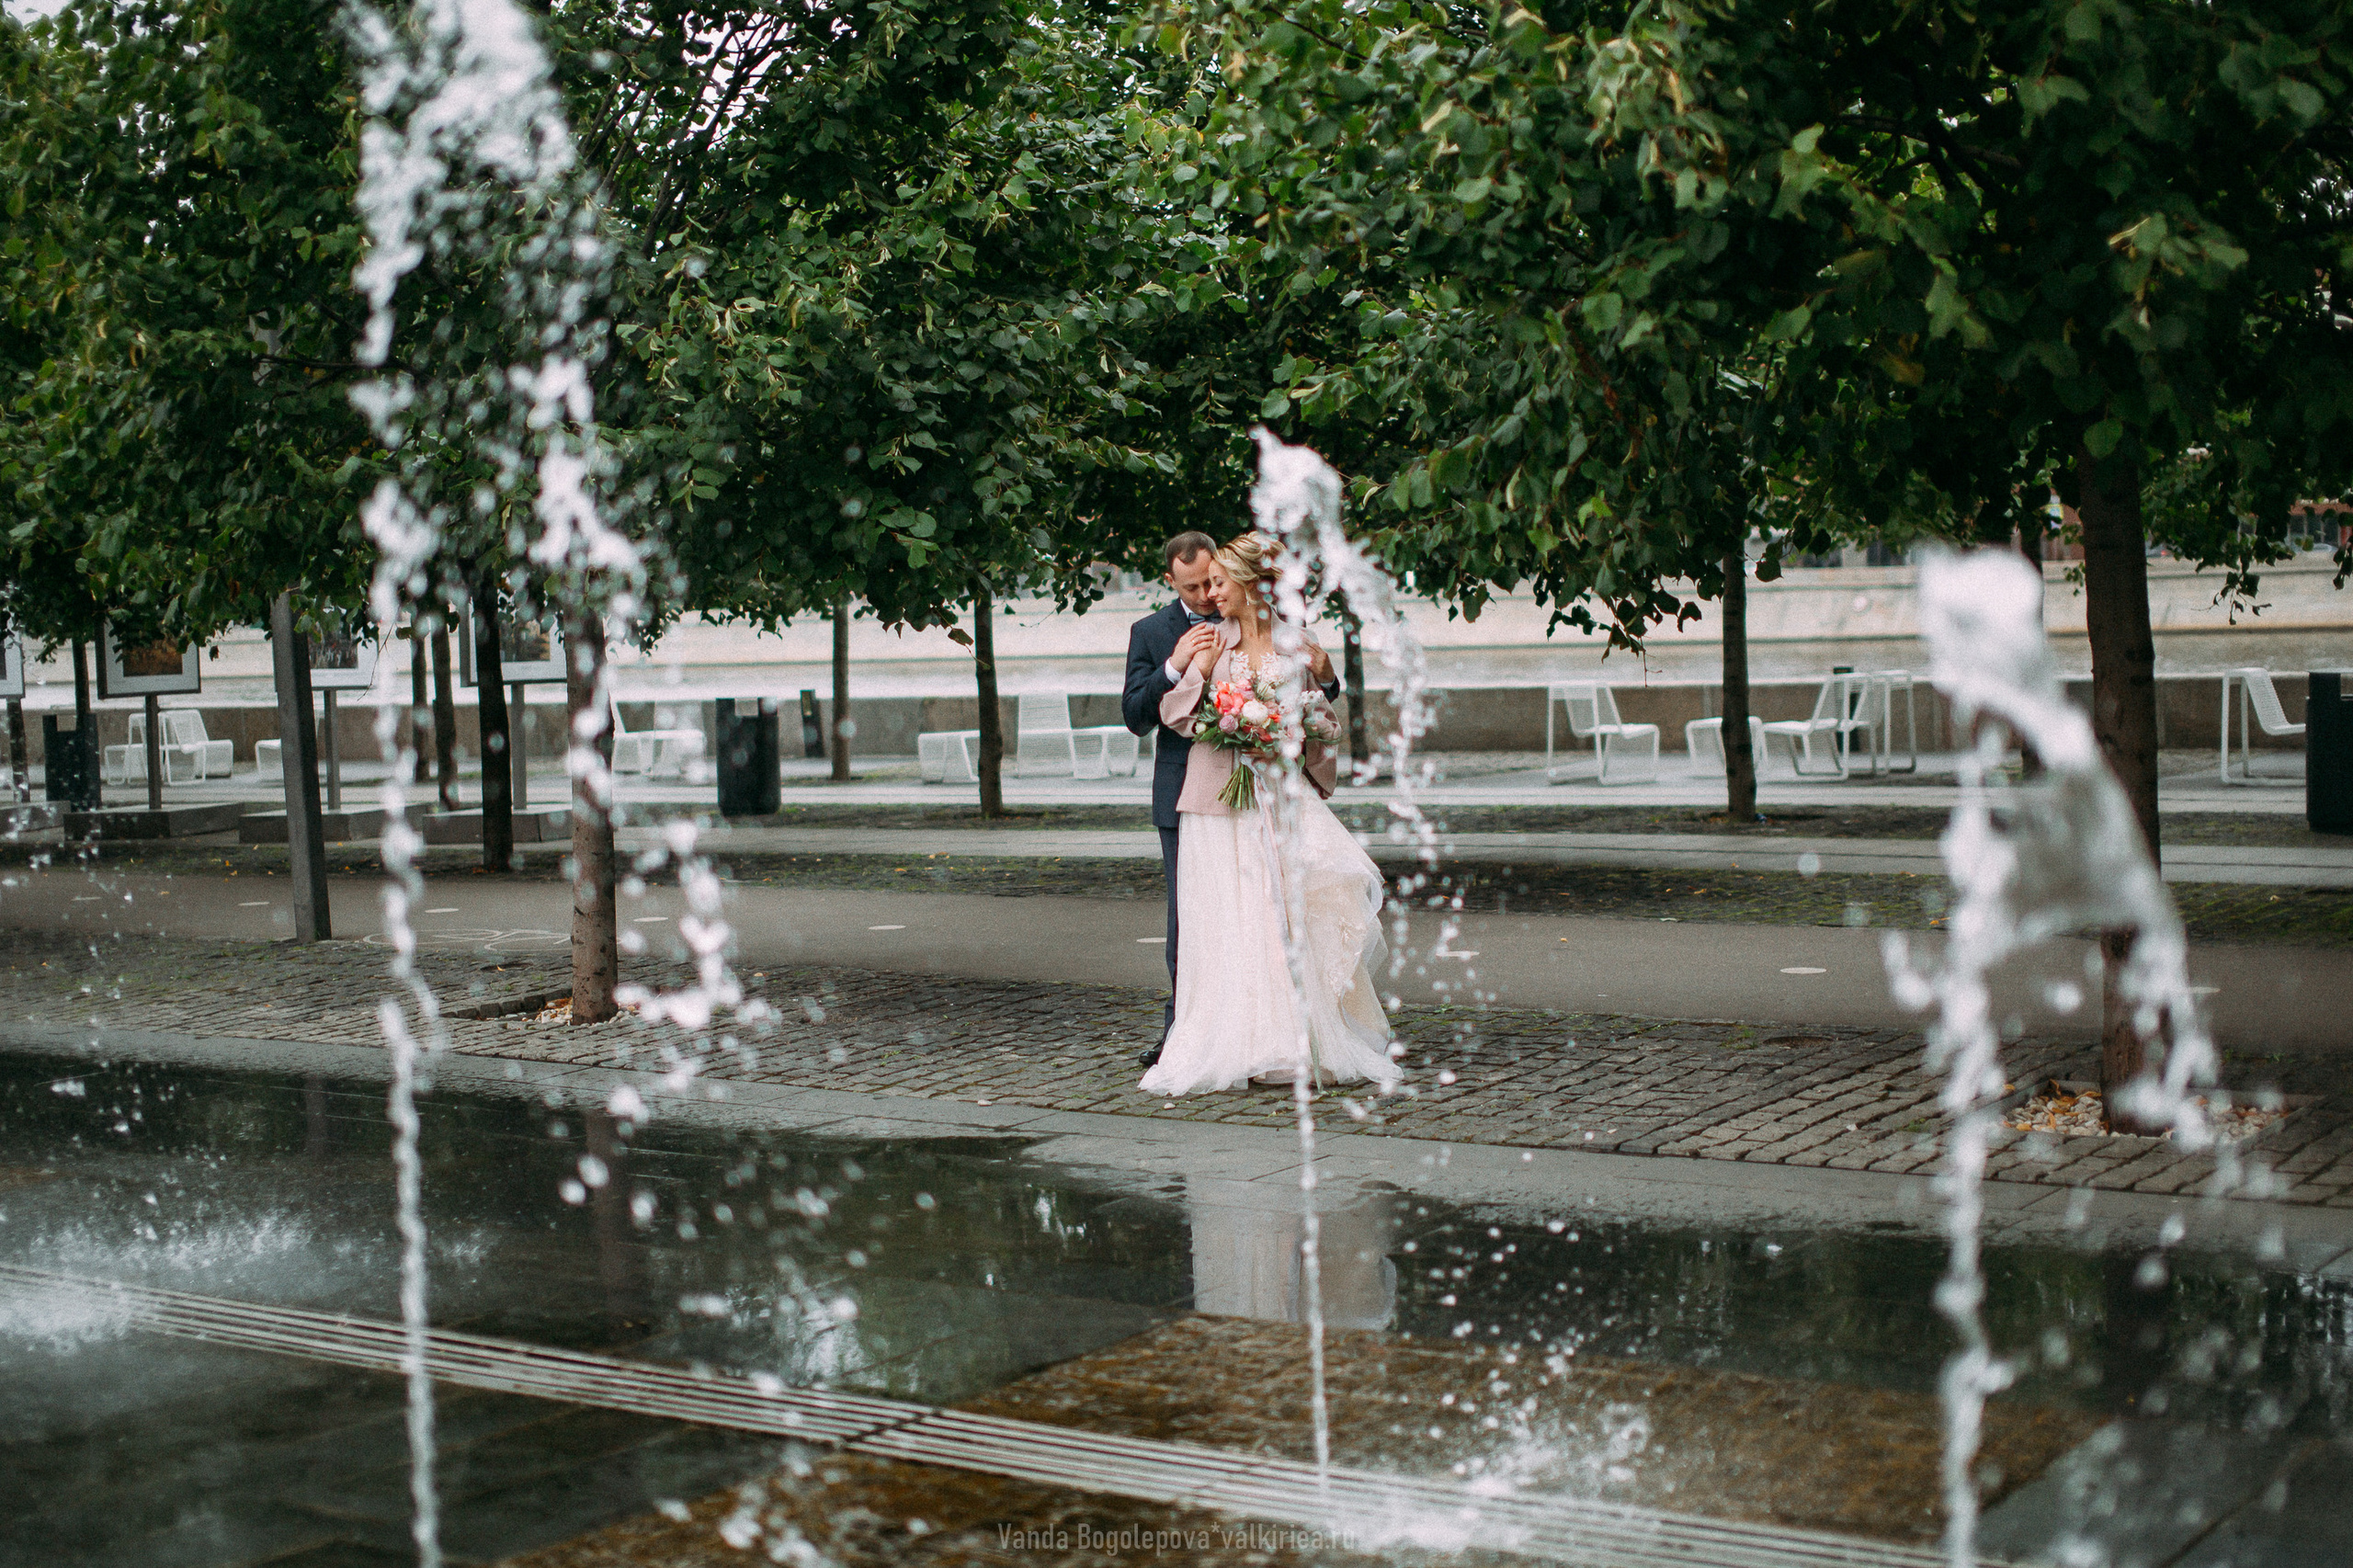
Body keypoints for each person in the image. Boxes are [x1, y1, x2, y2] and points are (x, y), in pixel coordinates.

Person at [1139, 533, 1401, 1096]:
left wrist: (1290, 742)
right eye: (1203, 585)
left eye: (1218, 583)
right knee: (1230, 922)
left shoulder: (1294, 644)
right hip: (1215, 803)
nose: (1210, 594)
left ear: (1251, 584)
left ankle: (1291, 1038)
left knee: (1285, 916)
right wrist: (1195, 672)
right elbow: (1173, 716)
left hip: (1277, 800)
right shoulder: (1210, 640)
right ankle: (1235, 1040)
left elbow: (1318, 717)